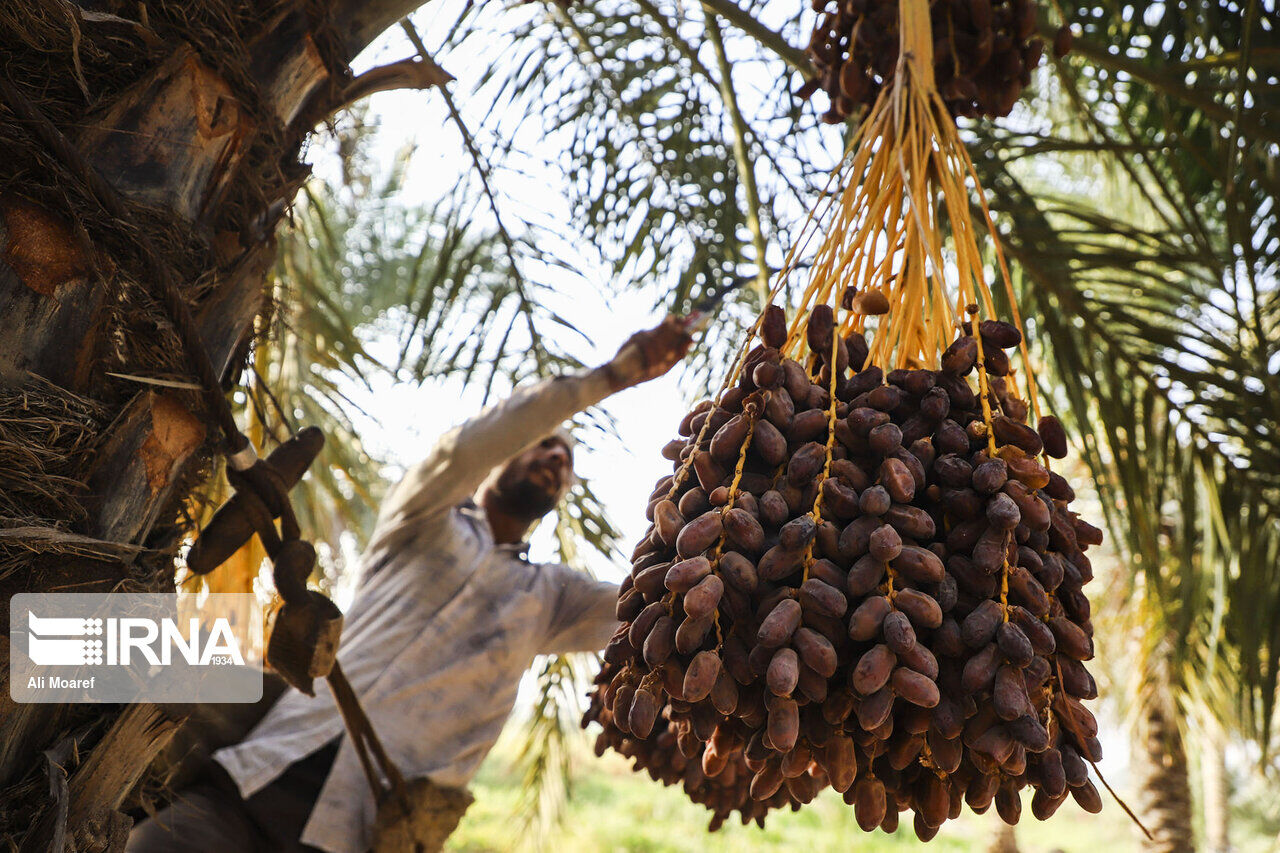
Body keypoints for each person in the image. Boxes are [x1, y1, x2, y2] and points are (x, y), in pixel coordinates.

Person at [128, 316, 694, 853]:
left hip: (361, 831)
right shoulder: (422, 520)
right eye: (543, 443)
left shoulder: (551, 599)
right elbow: (463, 450)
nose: (554, 458)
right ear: (500, 459)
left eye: (565, 461)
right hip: (250, 783)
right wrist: (612, 377)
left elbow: (652, 604)